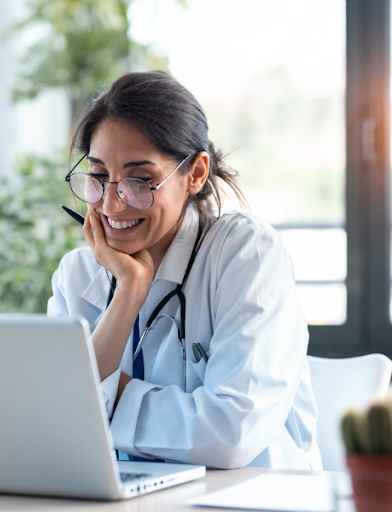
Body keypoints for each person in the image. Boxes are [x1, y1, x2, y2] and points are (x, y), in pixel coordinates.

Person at [47, 71, 322, 470]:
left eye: (140, 180)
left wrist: (106, 398)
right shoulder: (77, 275)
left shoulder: (245, 254)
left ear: (195, 173)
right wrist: (128, 292)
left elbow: (231, 434)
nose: (112, 205)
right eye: (99, 177)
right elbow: (55, 425)